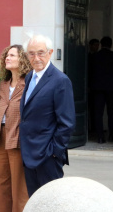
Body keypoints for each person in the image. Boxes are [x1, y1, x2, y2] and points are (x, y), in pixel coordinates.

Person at [20, 34, 76, 197]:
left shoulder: (60, 80)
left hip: (47, 156)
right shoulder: (30, 76)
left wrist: (54, 152)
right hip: (29, 153)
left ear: (50, 53)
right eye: (31, 53)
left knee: (51, 204)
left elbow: (67, 123)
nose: (36, 58)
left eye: (40, 52)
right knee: (35, 203)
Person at [0, 45, 31, 212]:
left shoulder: (28, 83)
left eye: (12, 55)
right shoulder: (3, 85)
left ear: (22, 60)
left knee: (19, 188)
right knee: (1, 185)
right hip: (1, 137)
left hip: (19, 138)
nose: (7, 58)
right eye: (7, 55)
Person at [91, 36, 113, 143]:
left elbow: (91, 72)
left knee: (98, 113)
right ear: (111, 44)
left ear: (101, 44)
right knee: (111, 112)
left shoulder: (95, 56)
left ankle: (100, 137)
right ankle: (112, 135)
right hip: (112, 88)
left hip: (98, 88)